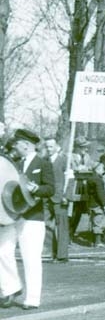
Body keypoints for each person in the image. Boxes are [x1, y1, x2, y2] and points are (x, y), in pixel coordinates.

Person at [0, 129, 55, 310]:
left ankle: (32, 298)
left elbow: (50, 189)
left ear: (26, 144)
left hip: (33, 217)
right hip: (12, 216)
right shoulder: (14, 163)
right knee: (2, 251)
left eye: (17, 143)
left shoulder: (43, 164)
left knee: (31, 258)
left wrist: (36, 189)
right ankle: (12, 287)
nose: (15, 146)